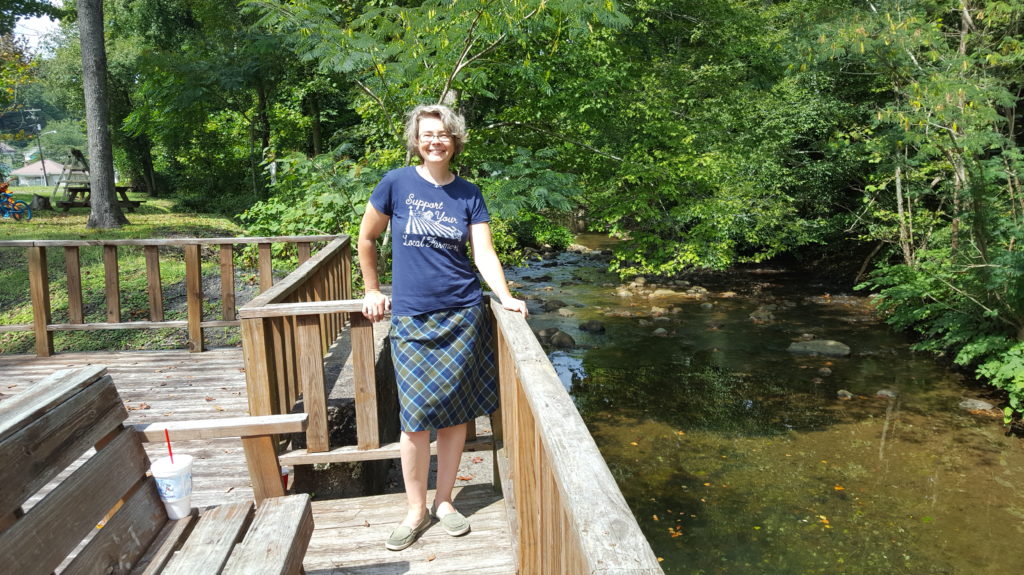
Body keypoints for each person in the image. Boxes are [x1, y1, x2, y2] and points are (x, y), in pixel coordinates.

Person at [358, 104, 528, 551]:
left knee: (455, 418)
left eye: (444, 135)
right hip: (412, 316)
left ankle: (444, 501)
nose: (435, 141)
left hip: (463, 312)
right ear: (417, 140)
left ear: (456, 141)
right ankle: (415, 509)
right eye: (427, 134)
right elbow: (367, 238)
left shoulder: (469, 193)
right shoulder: (396, 183)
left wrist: (505, 297)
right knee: (414, 421)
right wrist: (372, 290)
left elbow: (484, 254)